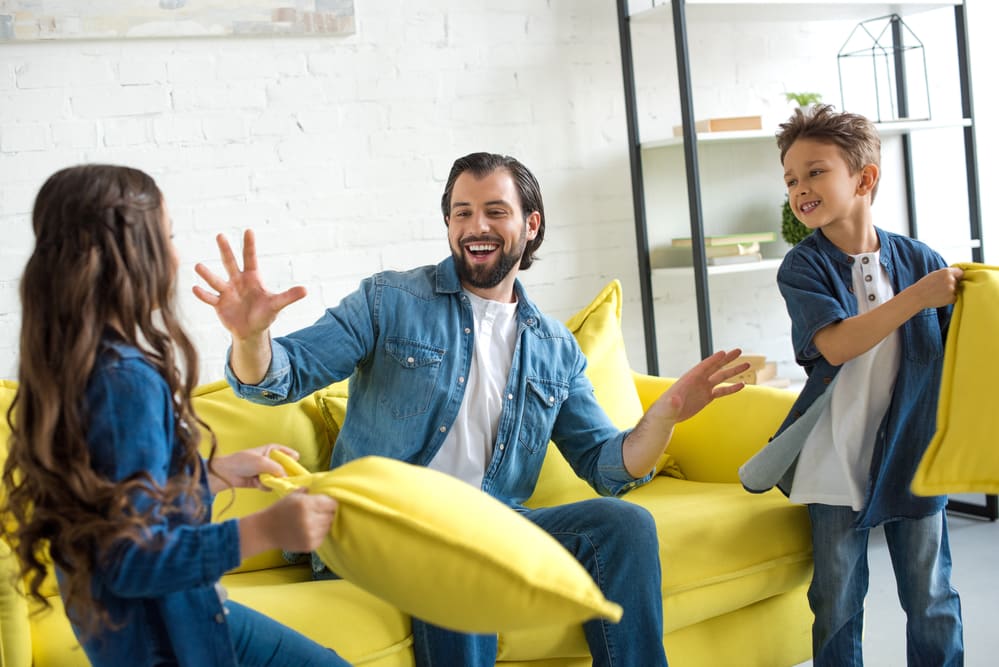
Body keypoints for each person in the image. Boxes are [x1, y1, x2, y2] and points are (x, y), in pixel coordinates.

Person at [194, 151, 750, 667]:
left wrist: (665, 417)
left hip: (491, 524)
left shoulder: (555, 348)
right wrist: (251, 338)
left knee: (624, 524)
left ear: (529, 226)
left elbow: (608, 468)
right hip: (380, 529)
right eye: (462, 213)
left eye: (494, 211)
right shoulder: (390, 301)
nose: (475, 227)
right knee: (460, 552)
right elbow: (280, 377)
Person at [0, 164, 351, 667]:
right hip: (169, 639)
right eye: (166, 235)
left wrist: (210, 474)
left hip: (153, 627)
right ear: (128, 254)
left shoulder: (73, 367)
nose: (175, 253)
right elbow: (129, 558)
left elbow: (115, 503)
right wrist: (268, 531)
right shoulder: (126, 381)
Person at [772, 105, 964, 665]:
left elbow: (958, 360)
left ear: (865, 178)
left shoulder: (919, 261)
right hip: (835, 461)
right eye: (790, 179)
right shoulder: (803, 268)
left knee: (931, 596)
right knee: (836, 600)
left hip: (914, 455)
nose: (800, 188)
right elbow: (835, 344)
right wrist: (917, 298)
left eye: (814, 172)